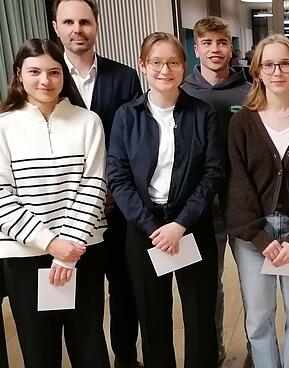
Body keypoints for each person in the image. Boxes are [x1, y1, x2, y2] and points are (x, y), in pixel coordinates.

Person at [0, 38, 109, 368]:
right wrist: (50, 243)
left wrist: (69, 250)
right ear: (19, 75)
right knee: (39, 352)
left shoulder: (87, 121)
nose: (45, 80)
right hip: (25, 257)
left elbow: (93, 187)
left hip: (82, 253)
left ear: (63, 75)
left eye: (53, 72)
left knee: (90, 346)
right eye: (34, 71)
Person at [107, 32, 224, 368]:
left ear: (184, 66)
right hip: (144, 231)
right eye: (156, 62)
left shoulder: (203, 114)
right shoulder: (126, 116)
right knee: (153, 318)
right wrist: (152, 226)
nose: (164, 70)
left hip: (192, 225)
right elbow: (119, 177)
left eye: (173, 62)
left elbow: (212, 173)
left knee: (200, 317)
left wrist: (180, 224)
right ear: (143, 65)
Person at [225, 34, 289, 368]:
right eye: (268, 64)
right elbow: (238, 183)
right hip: (255, 237)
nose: (277, 71)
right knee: (259, 318)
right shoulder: (242, 121)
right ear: (257, 71)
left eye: (285, 63)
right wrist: (259, 237)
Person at [51, 0, 144, 368]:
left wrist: (115, 189)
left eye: (85, 22)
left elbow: (138, 139)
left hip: (117, 205)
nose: (78, 29)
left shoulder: (123, 78)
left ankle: (125, 358)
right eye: (69, 22)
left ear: (96, 27)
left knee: (124, 288)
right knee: (80, 290)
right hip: (65, 209)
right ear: (56, 28)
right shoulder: (47, 76)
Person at [181, 15, 252, 363]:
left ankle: (259, 347)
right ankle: (214, 347)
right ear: (196, 49)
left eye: (221, 43)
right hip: (201, 209)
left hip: (246, 204)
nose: (215, 49)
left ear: (231, 48)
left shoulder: (250, 90)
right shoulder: (182, 91)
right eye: (207, 43)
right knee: (210, 286)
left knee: (254, 283)